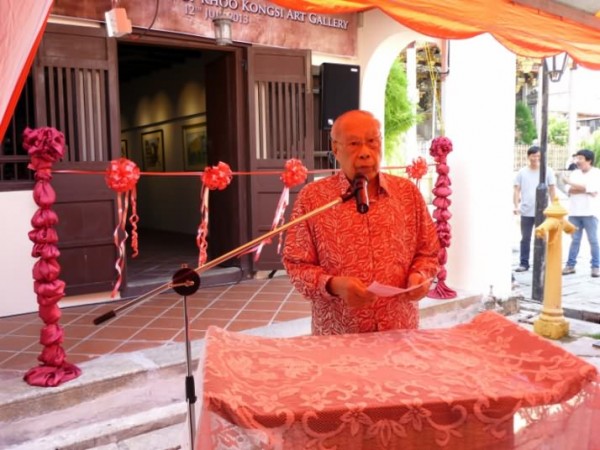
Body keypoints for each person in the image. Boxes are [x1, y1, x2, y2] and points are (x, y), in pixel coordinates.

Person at [282, 110, 440, 336]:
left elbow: (428, 252)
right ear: (336, 149)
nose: (365, 153)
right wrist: (335, 285)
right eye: (354, 144)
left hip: (399, 330)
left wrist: (421, 277)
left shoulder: (407, 194)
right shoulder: (314, 198)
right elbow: (296, 265)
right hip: (339, 334)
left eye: (372, 142)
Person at [513, 145, 556, 272]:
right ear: (528, 156)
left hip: (543, 210)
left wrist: (554, 205)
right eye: (533, 155)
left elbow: (552, 189)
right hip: (526, 210)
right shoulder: (522, 172)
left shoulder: (547, 171)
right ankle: (524, 263)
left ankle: (542, 262)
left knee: (542, 237)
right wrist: (516, 206)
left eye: (538, 156)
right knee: (525, 238)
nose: (535, 158)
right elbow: (516, 189)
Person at [561, 149, 600, 277]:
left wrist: (570, 183)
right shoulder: (575, 173)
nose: (577, 161)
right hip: (574, 212)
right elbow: (569, 190)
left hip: (590, 213)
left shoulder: (596, 173)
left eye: (580, 158)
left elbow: (593, 189)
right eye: (576, 158)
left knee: (593, 240)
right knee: (574, 240)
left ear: (588, 160)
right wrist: (585, 189)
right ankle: (570, 265)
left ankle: (596, 267)